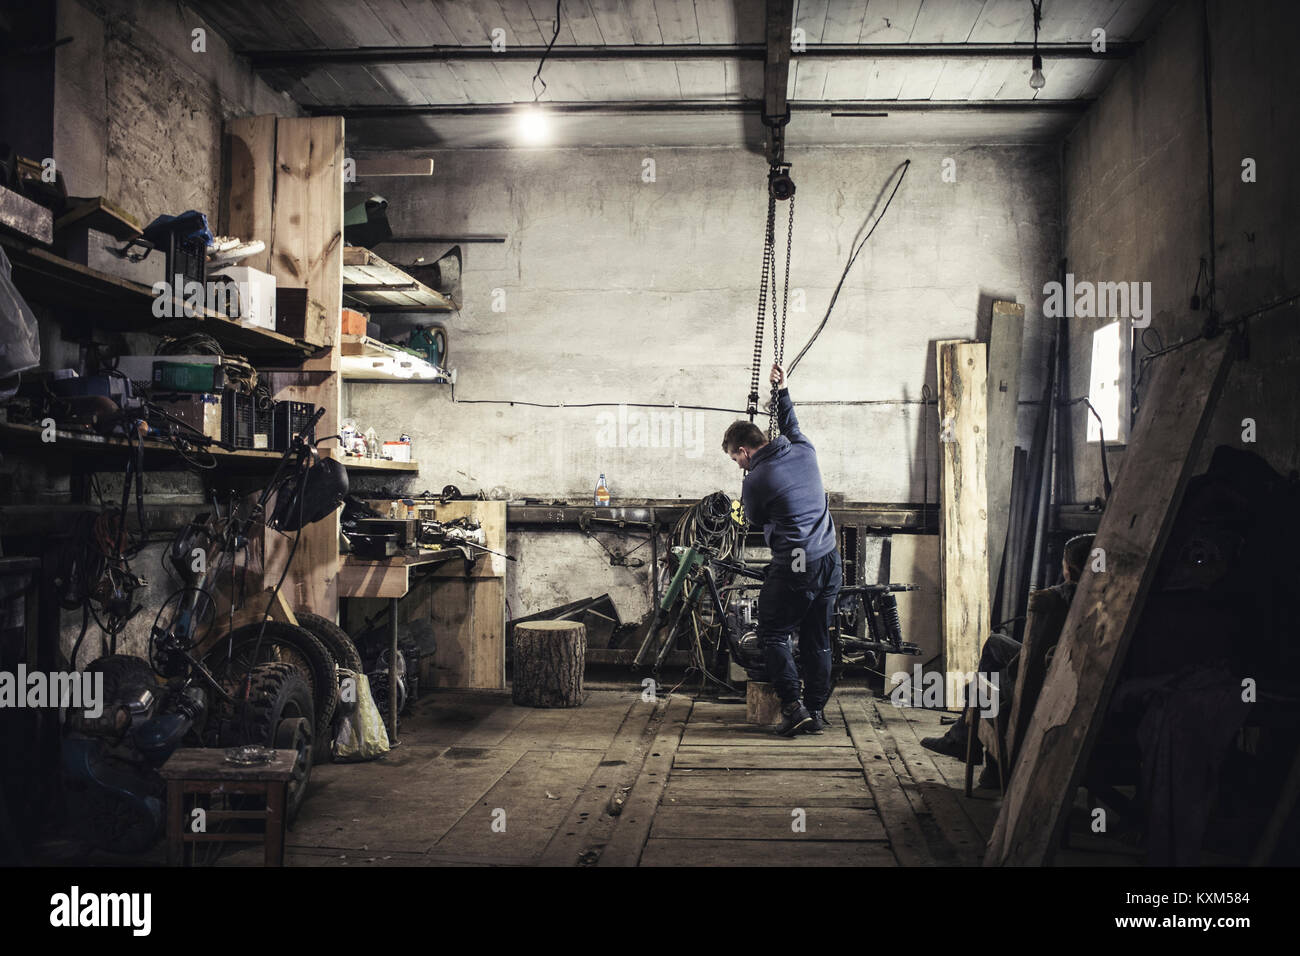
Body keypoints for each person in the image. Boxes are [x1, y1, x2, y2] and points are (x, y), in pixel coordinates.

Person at [722, 363, 841, 737]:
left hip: (796, 561)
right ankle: (817, 711)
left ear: (743, 451)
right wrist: (783, 390)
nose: (739, 465)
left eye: (735, 459)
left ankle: (793, 707)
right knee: (816, 636)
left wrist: (746, 497)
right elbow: (790, 424)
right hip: (829, 559)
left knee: (772, 632)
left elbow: (751, 520)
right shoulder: (804, 449)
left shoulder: (757, 478)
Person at [921, 534, 1096, 773]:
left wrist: (1015, 666)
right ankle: (974, 751)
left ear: (1072, 570)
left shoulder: (1055, 600)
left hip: (1046, 682)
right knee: (994, 643)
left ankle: (967, 744)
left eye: (1065, 567)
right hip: (1062, 672)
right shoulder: (1107, 595)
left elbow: (1032, 660)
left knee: (983, 684)